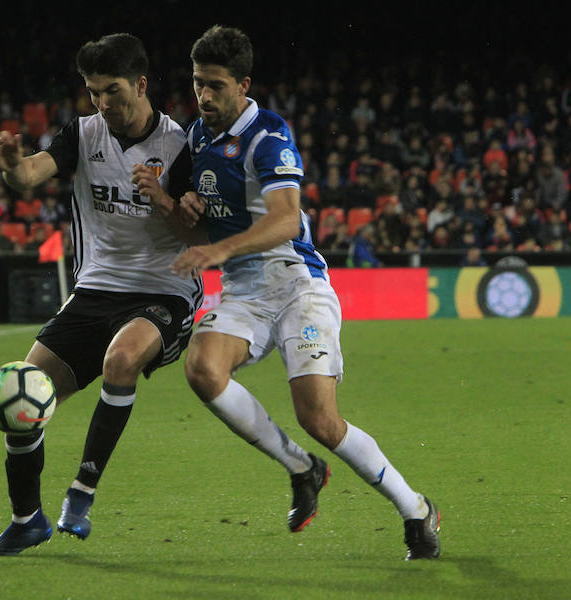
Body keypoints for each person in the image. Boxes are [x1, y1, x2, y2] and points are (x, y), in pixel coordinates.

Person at [172, 25, 440, 560]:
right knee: (202, 370)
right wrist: (170, 203)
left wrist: (219, 250)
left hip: (298, 286)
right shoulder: (197, 138)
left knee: (318, 418)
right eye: (198, 83)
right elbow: (198, 229)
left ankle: (414, 508)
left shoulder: (268, 136)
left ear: (243, 85)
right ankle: (301, 467)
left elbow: (287, 219)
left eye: (217, 86)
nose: (204, 96)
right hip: (246, 290)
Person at [0, 33, 203, 557]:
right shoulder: (82, 133)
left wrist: (164, 199)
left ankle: (82, 492)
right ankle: (26, 519)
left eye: (112, 90)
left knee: (121, 360)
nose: (102, 103)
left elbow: (199, 238)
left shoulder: (183, 145)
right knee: (21, 394)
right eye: (93, 91)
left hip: (165, 292)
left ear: (141, 84)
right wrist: (12, 163)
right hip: (95, 289)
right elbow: (31, 174)